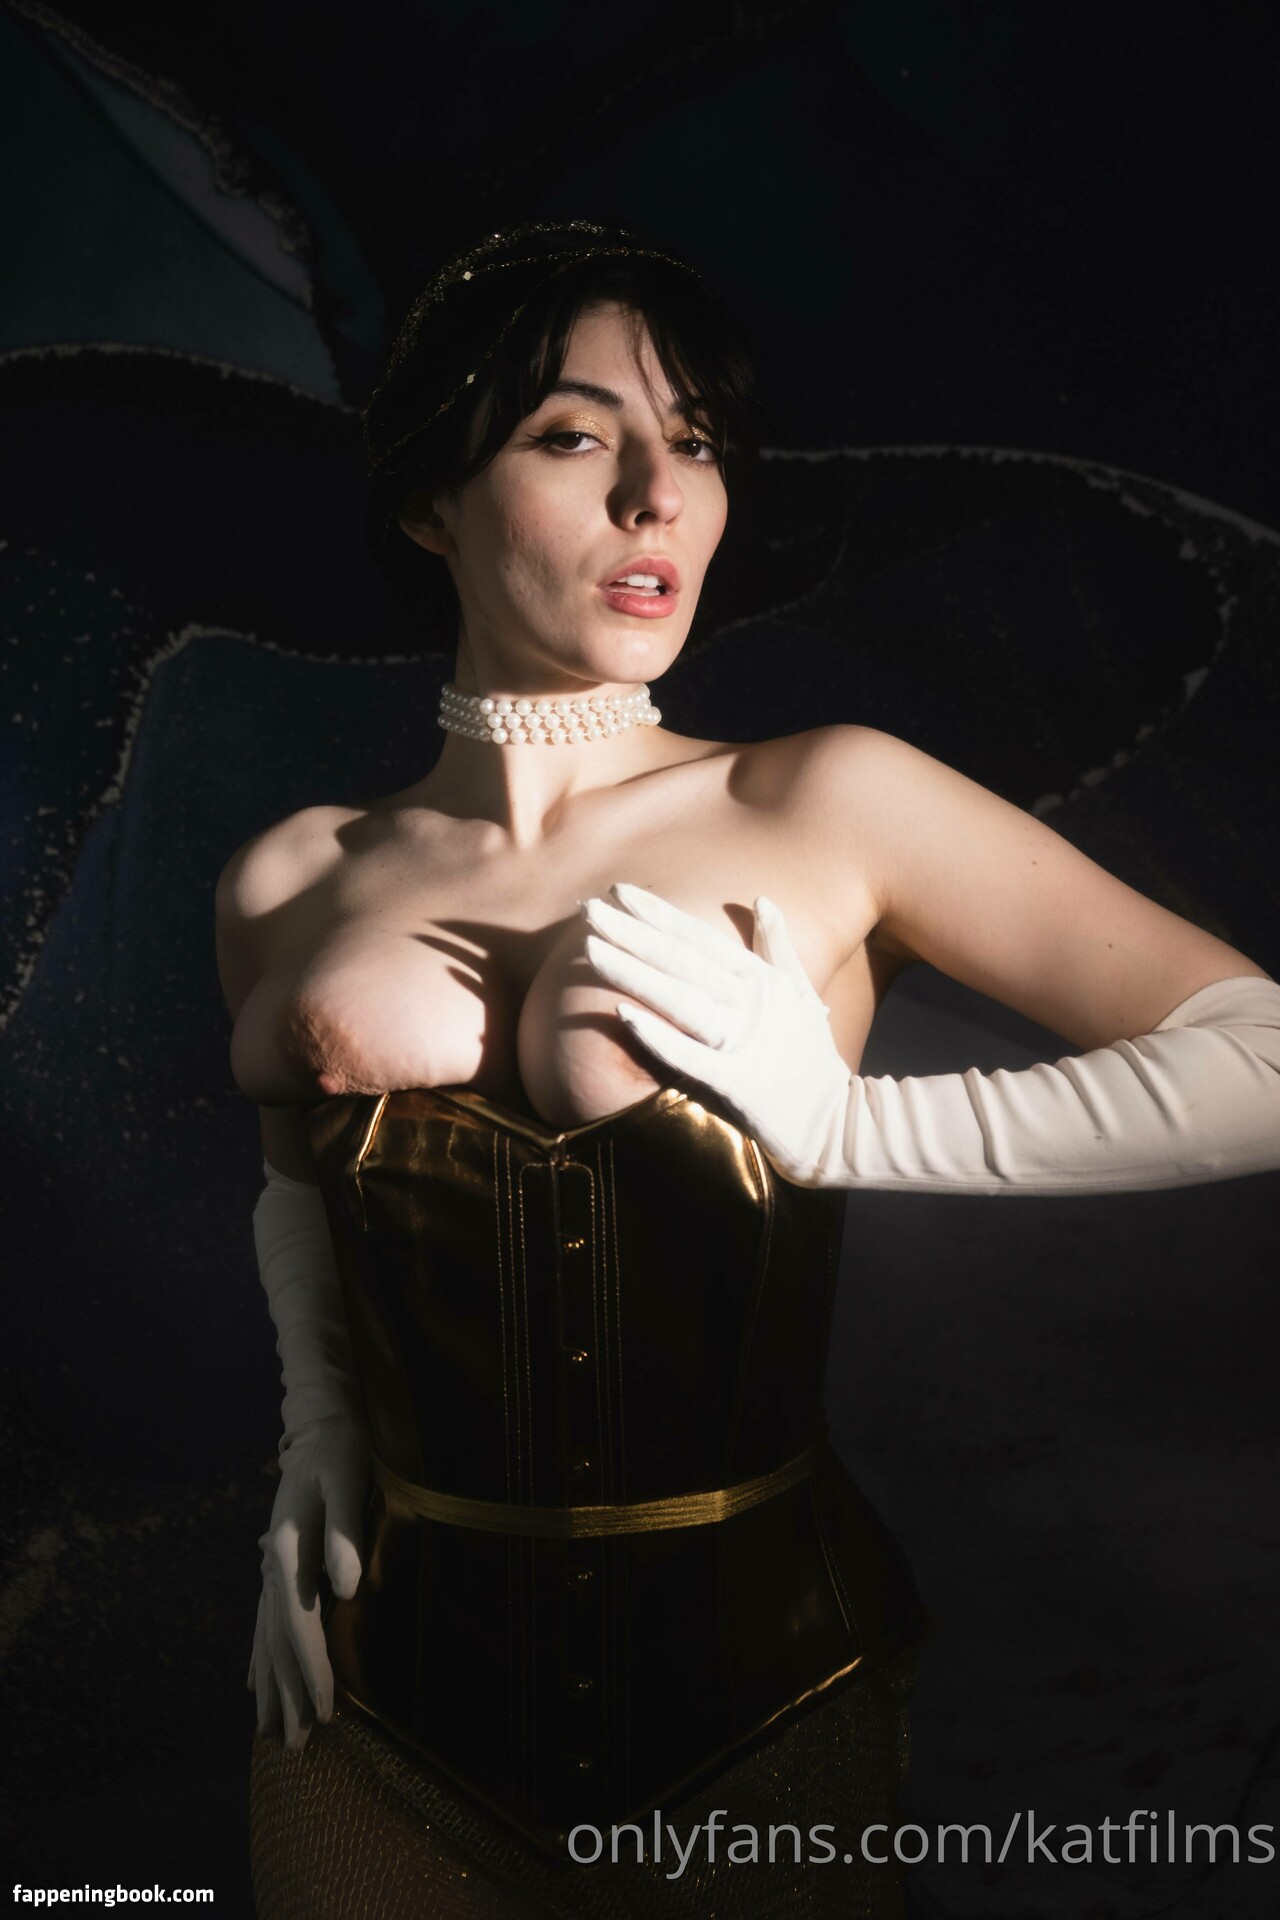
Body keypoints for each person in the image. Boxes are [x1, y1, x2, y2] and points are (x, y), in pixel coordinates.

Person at [216, 221, 1280, 1918]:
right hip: (373, 1691)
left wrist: (855, 1127)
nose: (660, 496)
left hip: (757, 1711)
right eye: (575, 435)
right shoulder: (291, 875)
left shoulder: (825, 799)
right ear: (430, 503)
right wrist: (317, 1425)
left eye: (698, 443)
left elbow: (1264, 1058)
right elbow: (298, 1190)